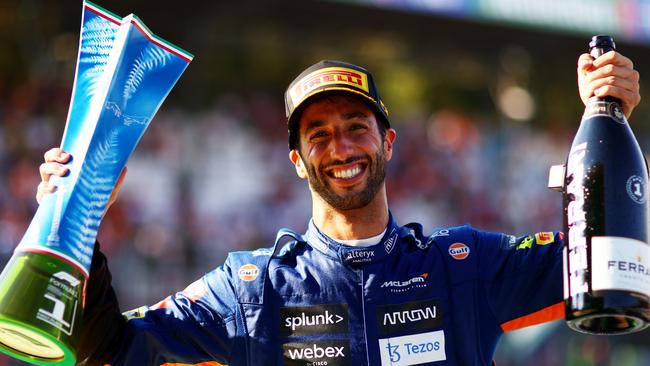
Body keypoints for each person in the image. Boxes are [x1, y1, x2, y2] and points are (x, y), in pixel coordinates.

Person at [37, 51, 641, 366]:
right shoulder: (252, 290)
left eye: (356, 126)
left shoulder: (464, 266)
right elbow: (111, 351)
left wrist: (605, 114)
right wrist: (76, 222)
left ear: (389, 142)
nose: (341, 147)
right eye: (318, 135)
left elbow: (610, 264)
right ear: (297, 161)